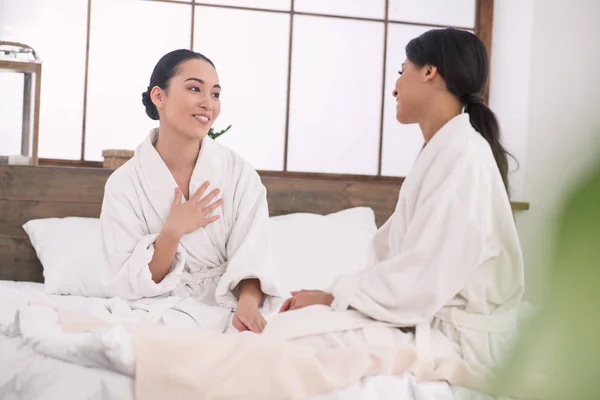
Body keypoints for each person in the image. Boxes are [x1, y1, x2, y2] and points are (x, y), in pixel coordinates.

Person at [276, 28, 525, 368]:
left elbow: (422, 275)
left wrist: (335, 296)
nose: (394, 87)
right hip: (422, 314)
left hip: (455, 339)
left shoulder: (463, 155)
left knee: (288, 338)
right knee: (288, 328)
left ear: (428, 72)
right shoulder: (447, 151)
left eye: (401, 70)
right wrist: (337, 297)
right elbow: (398, 259)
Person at [99, 49, 282, 334]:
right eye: (195, 88)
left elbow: (253, 255)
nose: (208, 103)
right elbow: (134, 283)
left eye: (216, 94)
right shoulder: (124, 184)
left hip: (229, 308)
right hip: (157, 310)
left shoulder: (239, 173)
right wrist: (172, 231)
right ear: (159, 96)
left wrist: (246, 308)